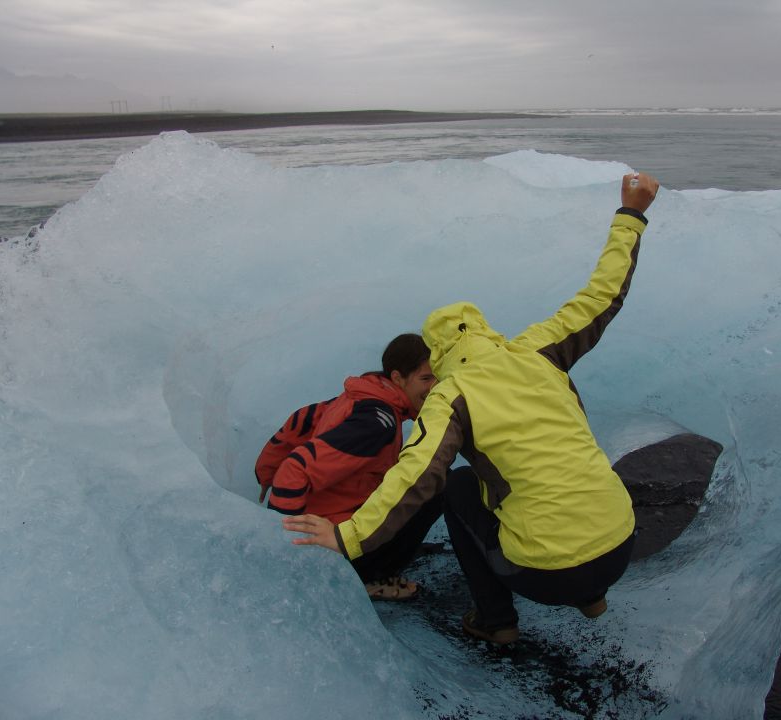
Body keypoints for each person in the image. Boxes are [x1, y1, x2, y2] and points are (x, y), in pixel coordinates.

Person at [282, 173, 659, 643]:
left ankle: (495, 622)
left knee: (459, 487)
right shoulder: (538, 350)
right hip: (622, 543)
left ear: (436, 357)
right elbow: (601, 296)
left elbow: (417, 476)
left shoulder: (450, 395)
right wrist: (632, 214)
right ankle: (592, 598)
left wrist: (347, 537)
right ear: (484, 331)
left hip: (543, 574)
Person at [256, 333, 440, 600]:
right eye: (425, 379)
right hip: (332, 539)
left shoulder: (364, 394)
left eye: (437, 378)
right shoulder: (377, 423)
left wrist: (265, 471)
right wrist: (284, 552)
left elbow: (301, 420)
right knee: (434, 486)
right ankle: (370, 577)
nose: (434, 387)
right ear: (398, 378)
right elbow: (295, 468)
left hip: (334, 516)